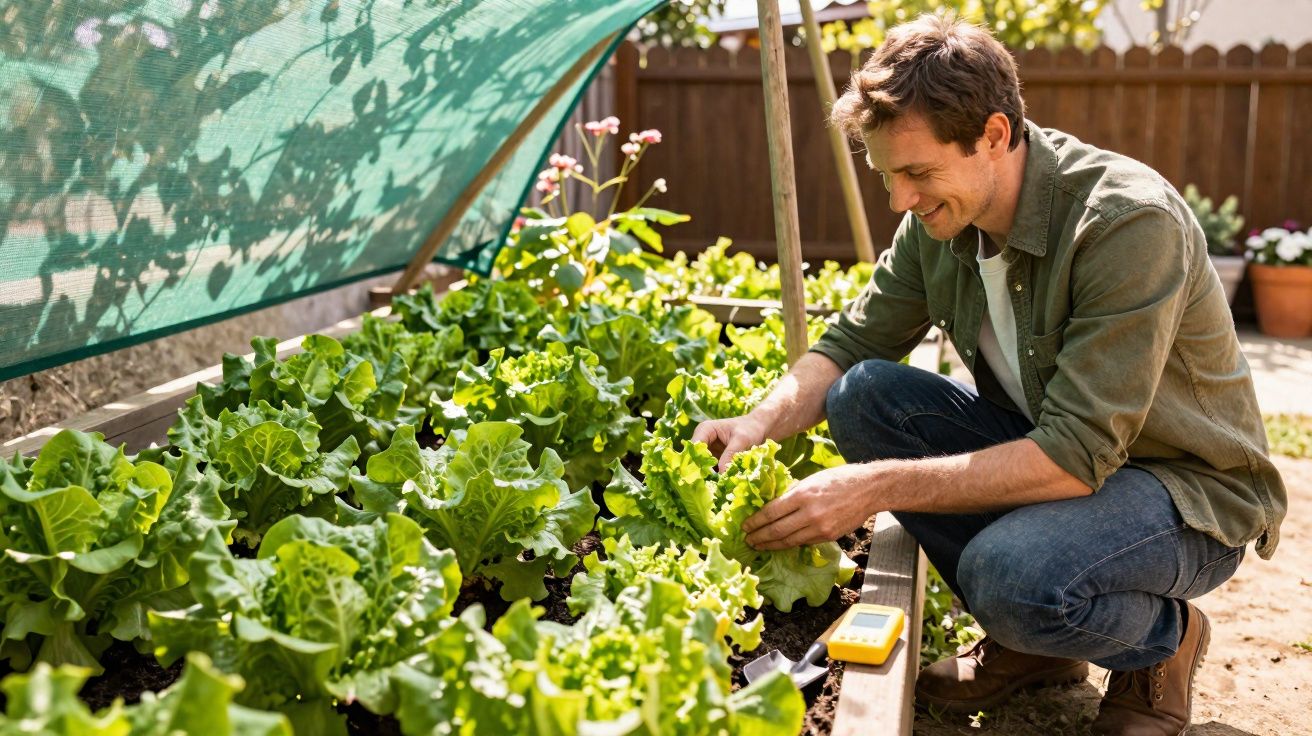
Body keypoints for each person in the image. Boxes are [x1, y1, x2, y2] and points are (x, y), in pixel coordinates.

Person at [691, 12, 1286, 735]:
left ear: (995, 136)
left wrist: (872, 486)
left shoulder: (1125, 223)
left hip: (1184, 493)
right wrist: (757, 422)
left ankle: (1163, 642)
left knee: (1013, 577)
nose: (899, 201)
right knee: (864, 397)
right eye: (886, 176)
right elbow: (849, 344)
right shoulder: (940, 223)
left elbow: (1075, 455)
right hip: (1066, 462)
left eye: (916, 173)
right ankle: (1038, 646)